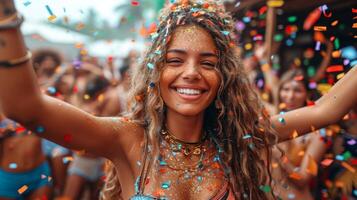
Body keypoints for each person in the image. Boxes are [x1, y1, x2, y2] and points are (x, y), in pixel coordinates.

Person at [1, 0, 357, 199]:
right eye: (175, 60)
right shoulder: (125, 138)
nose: (191, 73)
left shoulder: (240, 138)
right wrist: (5, 16)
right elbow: (24, 108)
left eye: (208, 63)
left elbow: (329, 109)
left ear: (224, 79)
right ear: (156, 72)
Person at [271, 69, 328, 200]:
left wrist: (278, 155)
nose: (290, 96)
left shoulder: (318, 134)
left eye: (297, 90)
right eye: (285, 89)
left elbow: (303, 179)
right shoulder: (273, 121)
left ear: (307, 94)